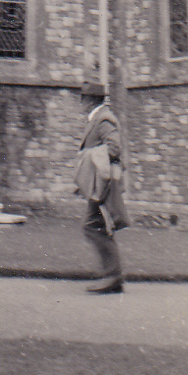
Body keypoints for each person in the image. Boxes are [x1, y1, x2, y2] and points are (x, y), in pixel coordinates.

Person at [79, 99, 127, 294]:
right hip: (97, 183)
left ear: (88, 101)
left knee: (91, 226)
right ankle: (111, 275)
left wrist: (89, 158)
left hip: (102, 183)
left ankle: (113, 276)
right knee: (96, 226)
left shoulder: (104, 119)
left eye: (83, 99)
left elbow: (114, 148)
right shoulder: (98, 118)